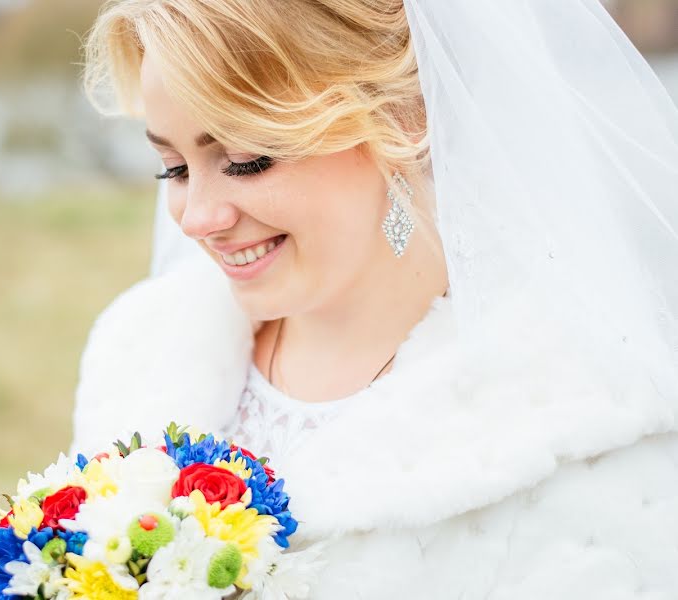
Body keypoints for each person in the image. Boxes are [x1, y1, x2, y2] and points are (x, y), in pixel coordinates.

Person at [69, 0, 678, 597]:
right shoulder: (140, 354)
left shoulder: (585, 432)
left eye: (247, 160)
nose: (197, 218)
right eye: (172, 168)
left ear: (404, 119)